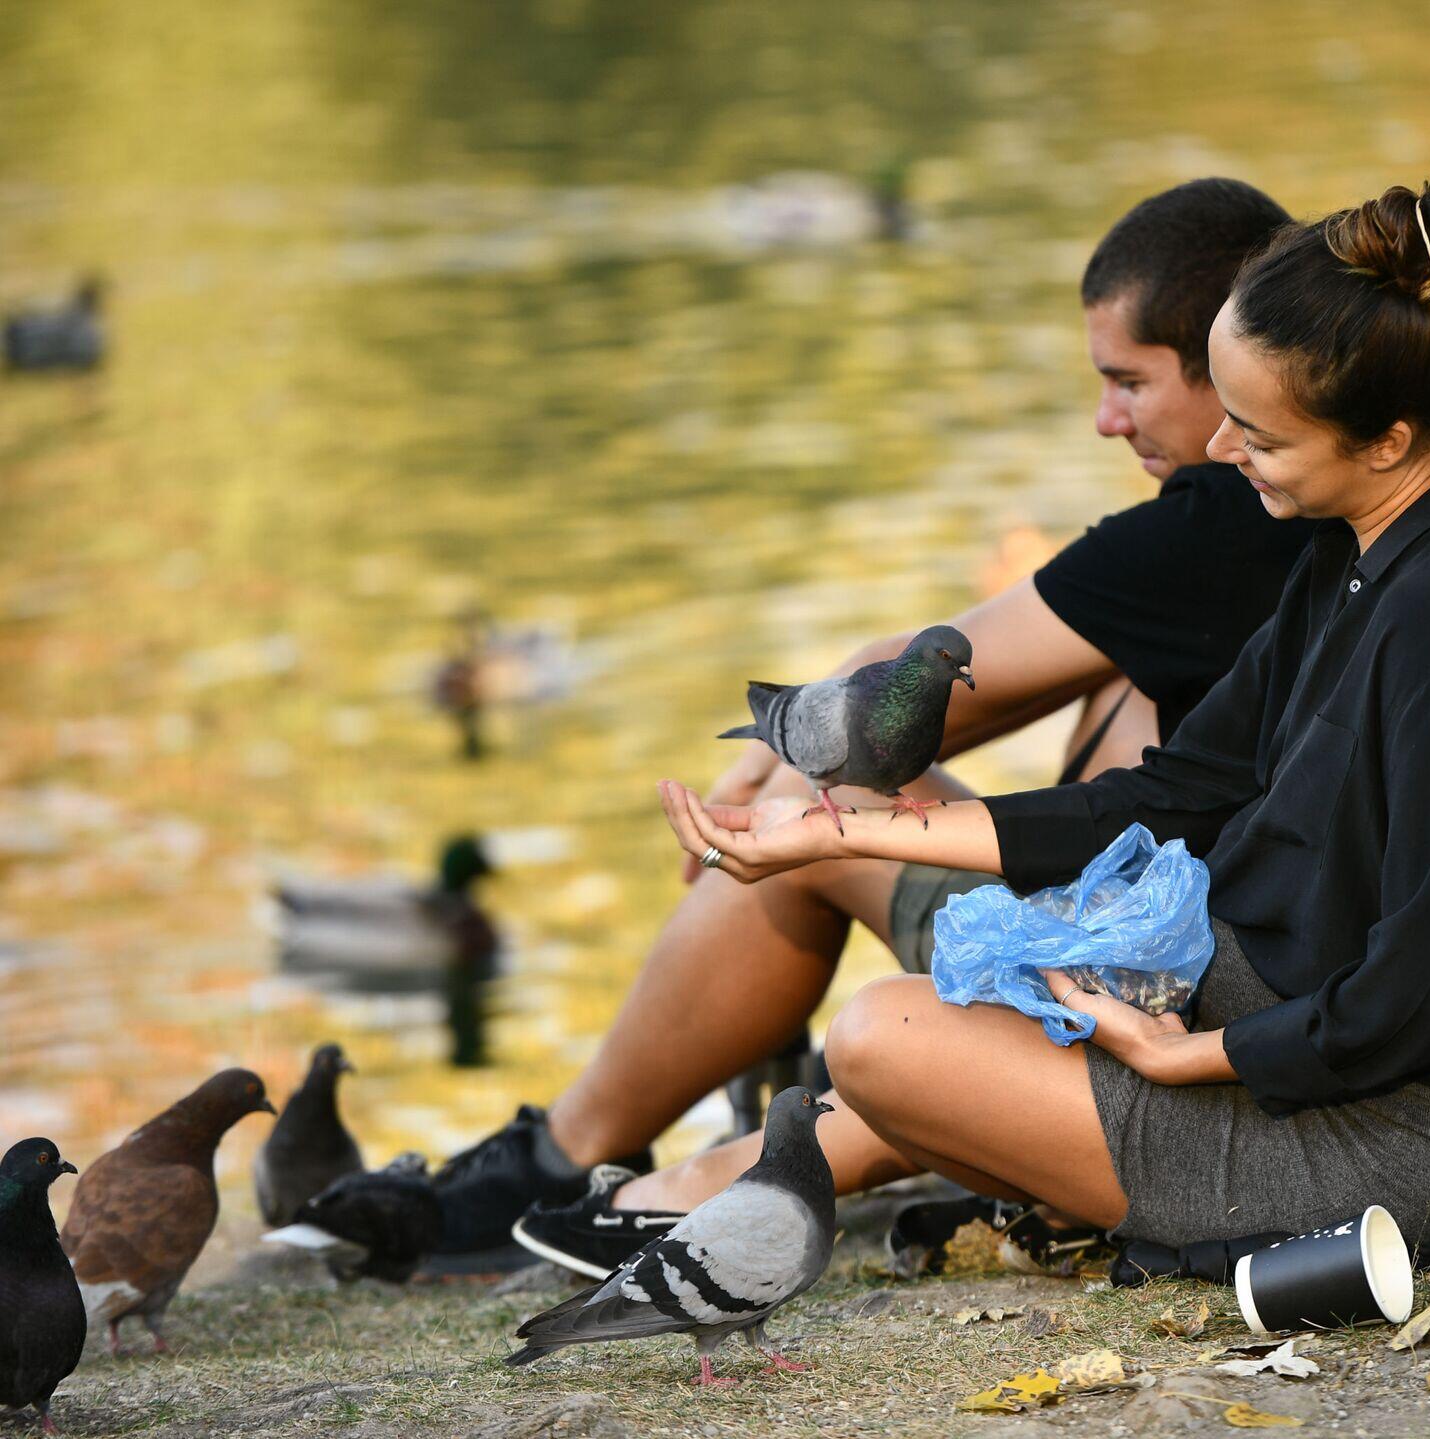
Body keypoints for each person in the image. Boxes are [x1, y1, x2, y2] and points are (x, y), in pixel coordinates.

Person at [649, 163, 1430, 1252]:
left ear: (1385, 437)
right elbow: (1180, 788)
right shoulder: (1358, 548)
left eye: (1262, 435)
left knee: (880, 1039)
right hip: (1323, 1012)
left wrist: (1189, 1054)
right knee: (943, 994)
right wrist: (838, 824)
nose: (1224, 454)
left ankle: (1017, 1166)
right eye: (1227, 417)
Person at [429, 178, 1315, 1273]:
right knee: (840, 798)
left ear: (1224, 365)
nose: (1105, 417)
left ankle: (576, 1153)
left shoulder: (1205, 532)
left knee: (813, 807)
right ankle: (687, 1148)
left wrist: (761, 784)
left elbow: (896, 682)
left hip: (1165, 986)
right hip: (1201, 954)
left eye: (1126, 381)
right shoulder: (1328, 519)